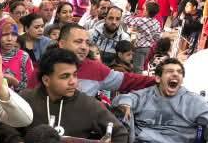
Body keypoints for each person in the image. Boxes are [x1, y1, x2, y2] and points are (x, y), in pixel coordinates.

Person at [0, 48, 128, 143]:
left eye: (75, 75)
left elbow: (120, 132)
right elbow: (4, 120)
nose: (73, 82)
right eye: (65, 76)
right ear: (46, 80)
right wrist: (15, 141)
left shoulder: (88, 105)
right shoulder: (27, 98)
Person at [26, 23, 155, 96]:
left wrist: (157, 80)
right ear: (62, 44)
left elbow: (128, 80)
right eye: (78, 42)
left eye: (87, 43)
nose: (84, 47)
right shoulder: (41, 69)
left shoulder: (95, 68)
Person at [0, 18, 34, 92]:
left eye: (14, 34)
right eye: (5, 34)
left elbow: (30, 87)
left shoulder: (24, 57)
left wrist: (15, 82)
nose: (9, 39)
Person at [123, 0, 163, 73]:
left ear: (147, 12)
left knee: (137, 68)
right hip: (148, 48)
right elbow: (157, 37)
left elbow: (127, 20)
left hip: (140, 47)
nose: (143, 11)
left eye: (144, 9)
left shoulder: (143, 20)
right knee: (139, 65)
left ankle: (137, 79)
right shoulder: (156, 22)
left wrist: (127, 10)